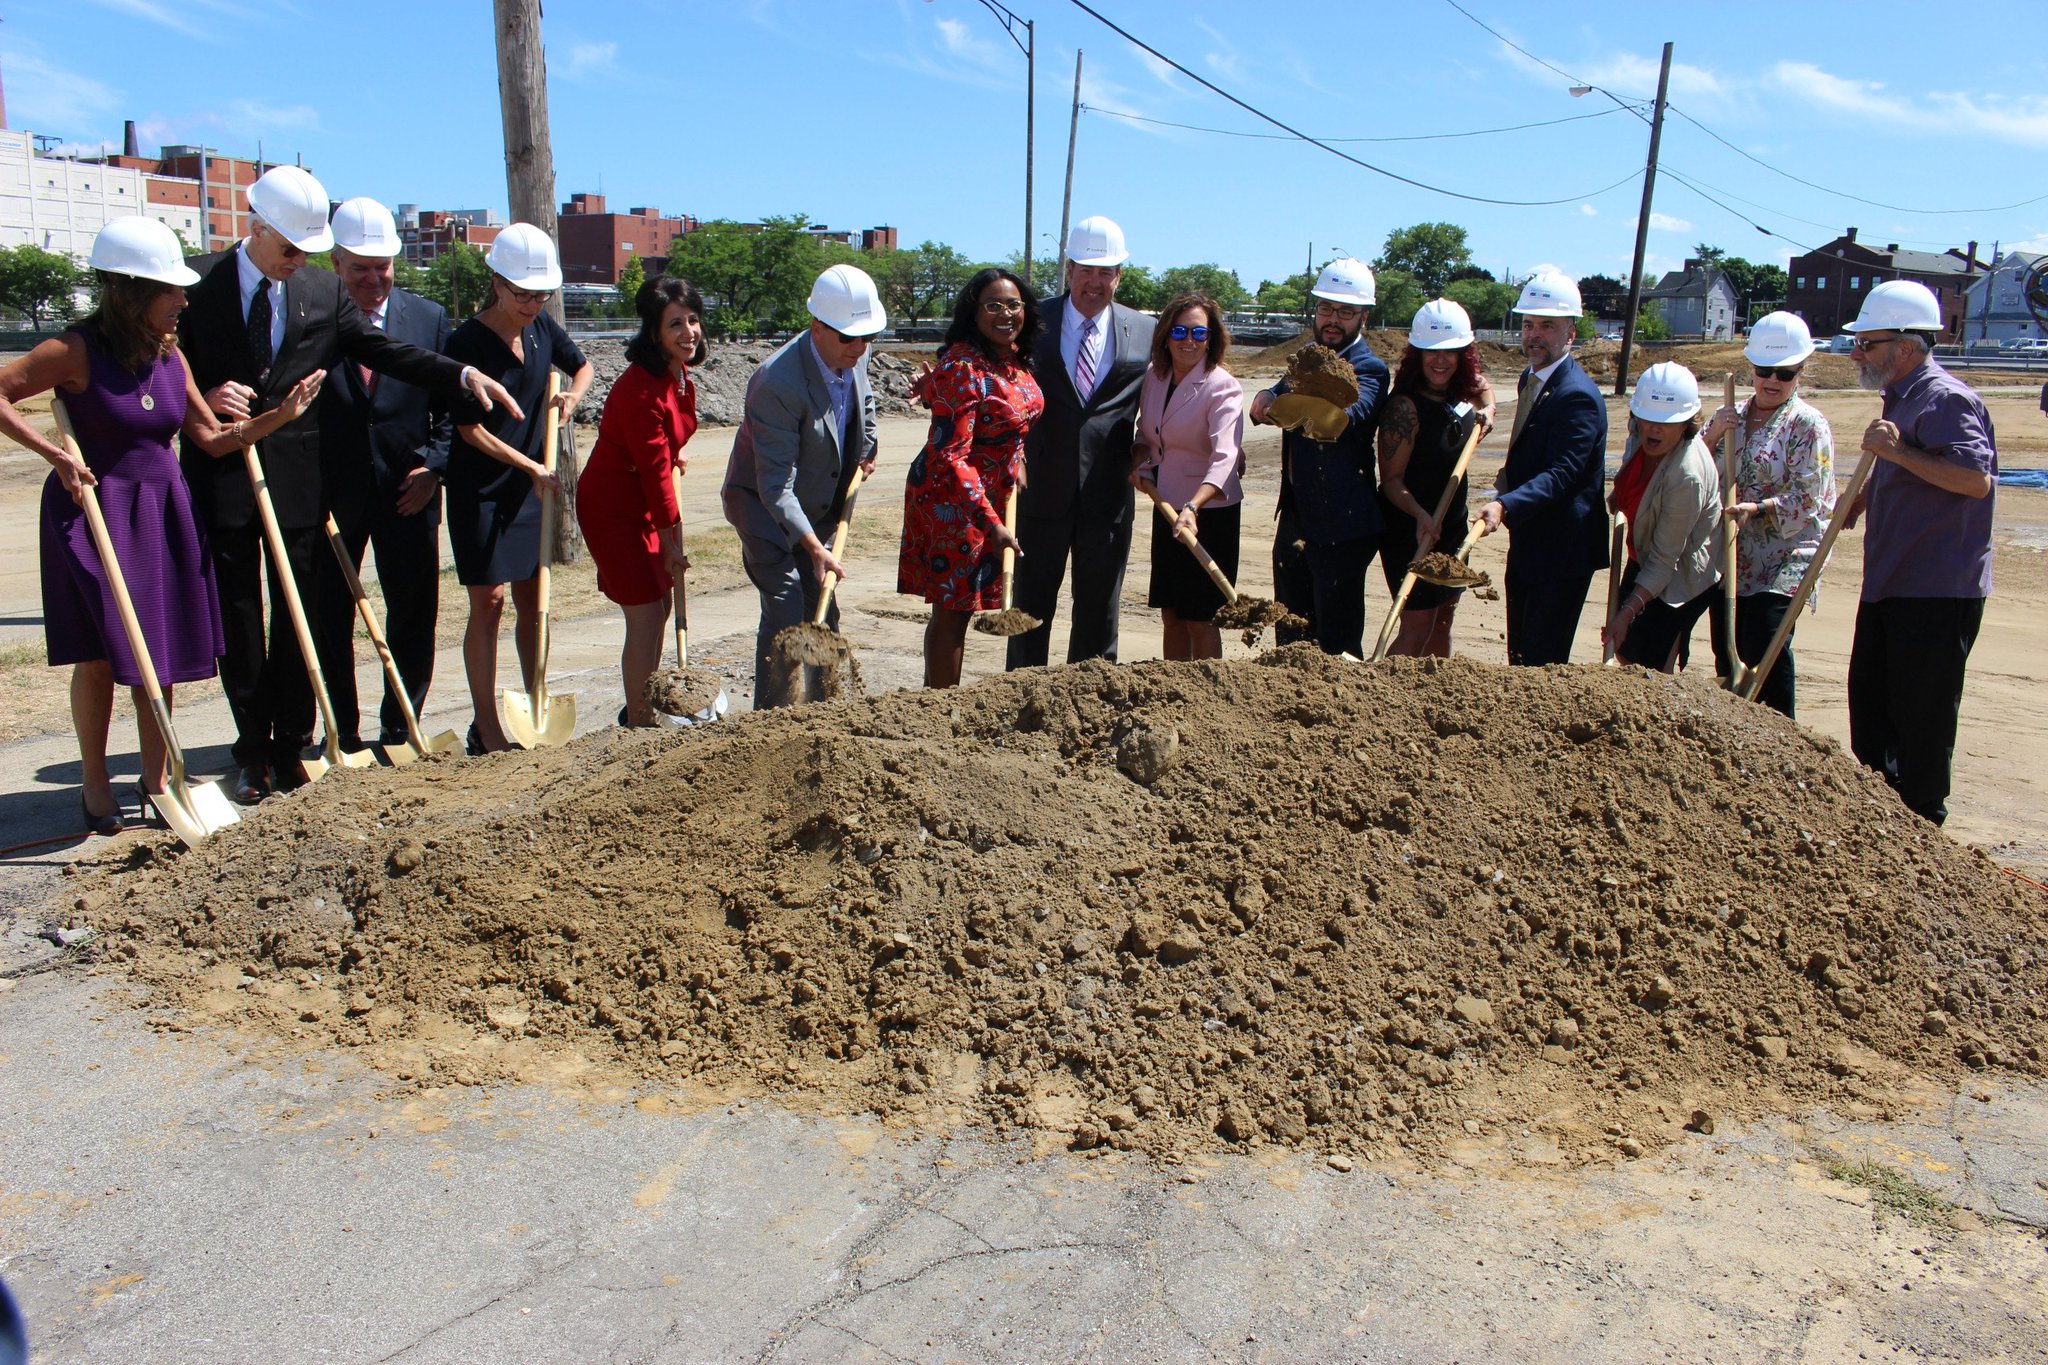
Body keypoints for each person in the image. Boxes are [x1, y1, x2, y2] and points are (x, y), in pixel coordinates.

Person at [177, 166, 520, 803]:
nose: (299, 261)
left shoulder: (316, 291)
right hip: (227, 470)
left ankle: (292, 743)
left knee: (299, 612)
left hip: (299, 479)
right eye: (290, 250)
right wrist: (195, 395)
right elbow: (158, 363)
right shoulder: (196, 284)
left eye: (307, 251)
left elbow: (385, 350)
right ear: (257, 230)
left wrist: (460, 375)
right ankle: (255, 747)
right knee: (241, 613)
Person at [0, 217, 320, 833]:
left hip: (162, 510)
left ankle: (157, 777)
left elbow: (213, 439)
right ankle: (96, 784)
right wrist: (55, 455)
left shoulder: (169, 356)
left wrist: (280, 416)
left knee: (160, 653)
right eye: (169, 290)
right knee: (99, 655)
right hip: (92, 510)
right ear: (128, 290)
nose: (182, 300)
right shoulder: (73, 350)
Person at [1841, 280, 1997, 826]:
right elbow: (1911, 475)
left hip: (1934, 589)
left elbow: (1975, 480)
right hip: (1891, 581)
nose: (1857, 353)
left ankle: (1922, 828)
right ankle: (1884, 824)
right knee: (1872, 712)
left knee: (1920, 722)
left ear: (1905, 347)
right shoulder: (1902, 399)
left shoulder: (1945, 399)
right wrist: (1865, 496)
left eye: (1867, 343)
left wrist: (1897, 452)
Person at [443, 223, 593, 753]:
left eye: (541, 294)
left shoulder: (542, 329)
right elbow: (469, 429)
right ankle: (485, 725)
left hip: (533, 487)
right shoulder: (464, 342)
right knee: (491, 602)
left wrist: (571, 400)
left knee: (536, 597)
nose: (533, 302)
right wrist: (528, 466)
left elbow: (583, 367)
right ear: (497, 283)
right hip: (481, 488)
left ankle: (535, 700)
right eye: (523, 293)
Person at [311, 197, 453, 754]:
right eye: (359, 269)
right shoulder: (312, 320)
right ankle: (340, 729)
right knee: (329, 614)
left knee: (414, 609)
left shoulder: (427, 318)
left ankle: (401, 723)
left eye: (382, 268)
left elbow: (449, 410)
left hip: (408, 490)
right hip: (333, 495)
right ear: (335, 266)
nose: (373, 279)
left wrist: (434, 469)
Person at [721, 263, 882, 708]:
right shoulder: (777, 383)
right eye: (850, 337)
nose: (861, 346)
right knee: (788, 603)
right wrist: (814, 546)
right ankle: (772, 723)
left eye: (869, 337)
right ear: (817, 326)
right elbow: (774, 486)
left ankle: (822, 713)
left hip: (819, 501)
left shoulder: (856, 351)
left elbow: (862, 401)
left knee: (823, 606)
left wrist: (866, 447)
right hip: (761, 505)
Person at [1008, 215, 1151, 671]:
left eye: (1105, 271)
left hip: (1107, 495)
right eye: (1085, 270)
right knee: (1030, 609)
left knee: (1098, 611)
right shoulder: (1031, 323)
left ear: (1119, 276)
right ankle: (1020, 700)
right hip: (1040, 491)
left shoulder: (1145, 331)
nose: (1094, 281)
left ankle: (1089, 704)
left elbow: (1170, 394)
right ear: (1068, 270)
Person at [897, 268, 1044, 686]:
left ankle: (939, 701)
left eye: (1013, 304)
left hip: (990, 493)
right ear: (974, 313)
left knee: (961, 603)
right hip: (953, 499)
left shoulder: (1011, 357)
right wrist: (991, 523)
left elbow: (1011, 422)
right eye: (993, 305)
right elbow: (950, 455)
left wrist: (1017, 459)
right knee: (953, 607)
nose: (1005, 313)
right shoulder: (963, 367)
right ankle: (939, 706)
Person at [577, 276, 704, 726]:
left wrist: (675, 450)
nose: (688, 332)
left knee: (662, 605)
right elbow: (654, 478)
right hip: (614, 510)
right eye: (675, 324)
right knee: (646, 615)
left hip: (643, 502)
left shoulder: (677, 373)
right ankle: (639, 720)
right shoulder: (640, 391)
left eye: (692, 320)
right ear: (653, 332)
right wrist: (671, 542)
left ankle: (645, 704)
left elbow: (663, 448)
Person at [1250, 258, 1388, 657]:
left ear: (1363, 316)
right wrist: (1269, 400)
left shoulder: (1370, 369)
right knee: (1291, 636)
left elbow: (1344, 420)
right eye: (1326, 308)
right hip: (1296, 517)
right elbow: (1267, 402)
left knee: (1336, 642)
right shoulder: (1308, 358)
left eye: (1345, 312)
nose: (1333, 319)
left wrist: (1288, 406)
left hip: (1343, 525)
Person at [1700, 311, 1836, 717]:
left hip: (1787, 553)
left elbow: (1811, 496)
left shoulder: (1808, 424)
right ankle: (1738, 727)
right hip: (1733, 553)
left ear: (1800, 372)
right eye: (1764, 371)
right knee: (1728, 644)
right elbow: (1695, 470)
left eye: (1785, 373)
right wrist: (1708, 437)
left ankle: (1782, 731)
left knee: (1767, 640)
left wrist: (1758, 509)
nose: (1773, 381)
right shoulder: (1730, 416)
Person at [1476, 270, 1609, 666]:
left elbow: (1563, 472)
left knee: (1542, 661)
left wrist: (1505, 505)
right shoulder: (1529, 378)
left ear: (1570, 333)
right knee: (1519, 653)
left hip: (1563, 549)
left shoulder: (1577, 397)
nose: (1533, 334)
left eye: (1547, 326)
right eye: (1529, 324)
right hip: (1531, 540)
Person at [1375, 298, 1496, 657]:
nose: (1440, 360)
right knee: (1418, 625)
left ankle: (1434, 695)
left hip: (1453, 524)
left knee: (1444, 617)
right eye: (1431, 352)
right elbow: (1392, 481)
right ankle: (1376, 696)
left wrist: (1488, 409)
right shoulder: (1405, 407)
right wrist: (1420, 516)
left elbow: (1483, 387)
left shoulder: (1458, 393)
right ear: (1418, 353)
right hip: (1411, 527)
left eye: (1450, 352)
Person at [1130, 293, 1244, 661]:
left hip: (1208, 512)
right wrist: (1140, 463)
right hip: (1166, 506)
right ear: (1165, 335)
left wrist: (1194, 506)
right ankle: (1172, 693)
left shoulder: (1221, 386)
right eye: (1179, 331)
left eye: (1199, 332)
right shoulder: (1155, 378)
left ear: (1212, 338)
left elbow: (1226, 456)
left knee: (1202, 618)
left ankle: (1206, 702)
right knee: (1172, 614)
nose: (1188, 341)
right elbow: (1147, 437)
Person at [1602, 363, 1721, 672]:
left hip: (1680, 575)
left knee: (1649, 667)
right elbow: (1635, 472)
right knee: (1626, 653)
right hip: (1645, 554)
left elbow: (1665, 560)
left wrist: (1627, 613)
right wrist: (1623, 495)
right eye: (1647, 419)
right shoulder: (1640, 431)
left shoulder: (1686, 476)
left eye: (1666, 422)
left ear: (1686, 423)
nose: (1653, 429)